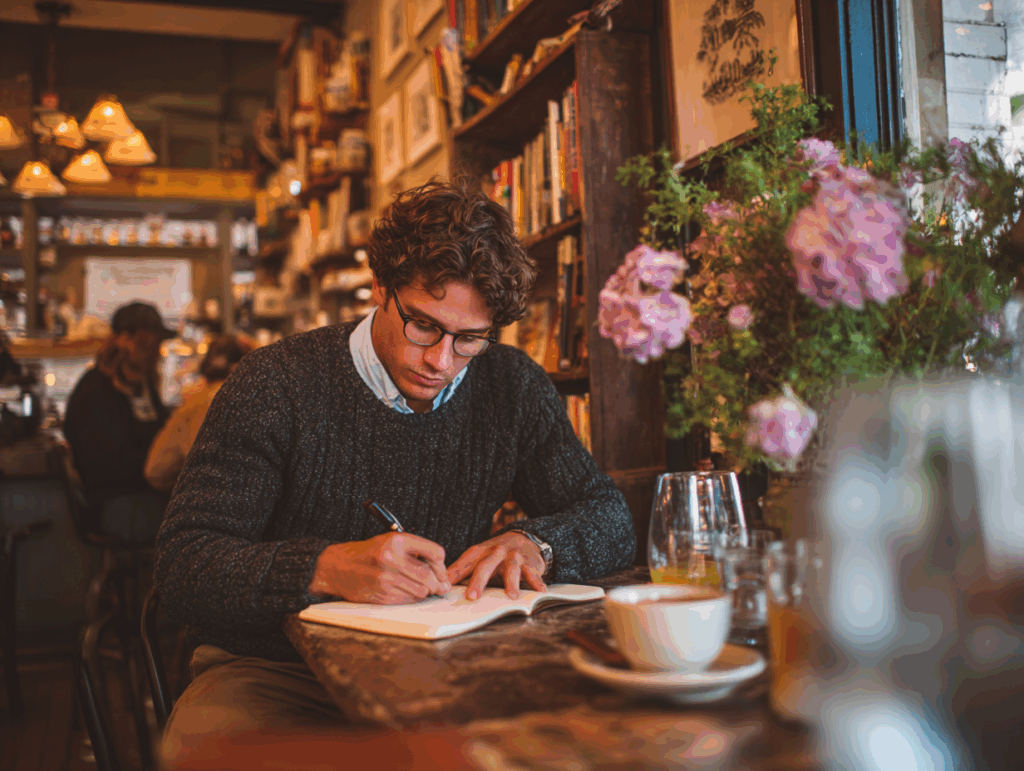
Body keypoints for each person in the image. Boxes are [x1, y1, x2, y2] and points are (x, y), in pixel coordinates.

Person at [154, 180, 636, 763]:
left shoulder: (511, 386)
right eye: (424, 326)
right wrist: (324, 566)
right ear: (380, 286)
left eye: (470, 339)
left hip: (451, 666)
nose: (440, 361)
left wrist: (538, 543)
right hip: (276, 673)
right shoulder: (274, 383)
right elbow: (182, 564)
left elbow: (610, 516)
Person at [63, 301, 175, 541]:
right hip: (115, 504)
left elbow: (165, 435)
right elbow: (108, 464)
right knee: (198, 527)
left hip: (142, 496)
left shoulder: (143, 388)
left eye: (157, 344)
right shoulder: (95, 391)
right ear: (122, 340)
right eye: (148, 343)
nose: (156, 352)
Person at [144, 334, 254, 493]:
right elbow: (208, 466)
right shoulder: (219, 398)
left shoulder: (201, 392)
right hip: (163, 495)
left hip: (168, 485)